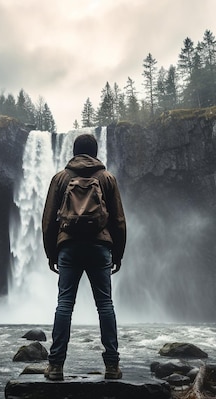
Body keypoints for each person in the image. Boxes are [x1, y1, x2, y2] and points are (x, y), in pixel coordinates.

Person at [41, 133, 126, 381]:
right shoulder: (107, 178)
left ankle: (55, 366)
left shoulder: (61, 178)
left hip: (68, 246)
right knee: (105, 305)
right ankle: (112, 365)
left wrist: (51, 253)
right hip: (100, 247)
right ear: (96, 152)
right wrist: (117, 254)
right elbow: (118, 220)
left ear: (74, 152)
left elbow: (48, 221)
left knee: (65, 304)